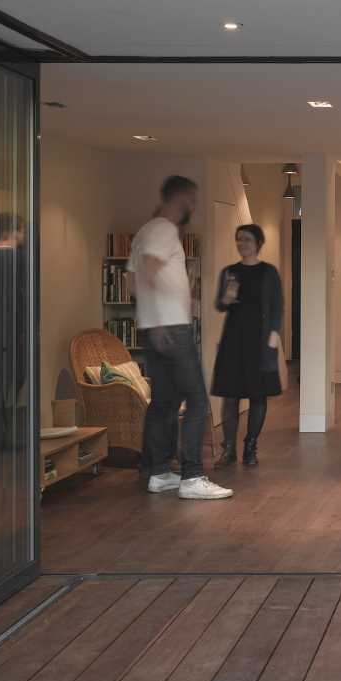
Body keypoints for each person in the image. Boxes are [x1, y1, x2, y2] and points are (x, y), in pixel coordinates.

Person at [128, 176, 232, 499]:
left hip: (155, 328)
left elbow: (132, 282)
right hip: (170, 329)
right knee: (198, 401)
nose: (194, 207)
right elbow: (146, 270)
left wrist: (150, 319)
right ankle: (192, 477)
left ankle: (158, 472)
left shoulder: (145, 230)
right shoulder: (163, 229)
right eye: (192, 200)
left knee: (164, 402)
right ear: (181, 198)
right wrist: (161, 320)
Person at [210, 224, 284, 468]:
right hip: (233, 339)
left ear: (258, 243)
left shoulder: (268, 272)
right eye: (238, 239)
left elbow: (277, 305)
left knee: (258, 395)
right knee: (230, 396)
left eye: (247, 239)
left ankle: (250, 447)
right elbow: (220, 306)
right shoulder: (229, 271)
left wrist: (275, 333)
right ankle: (228, 449)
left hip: (260, 341)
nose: (242, 243)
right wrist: (226, 298)